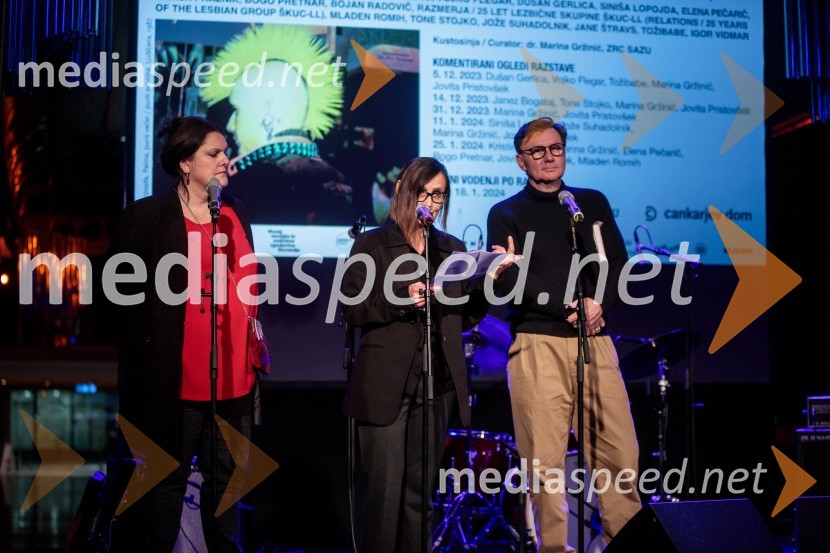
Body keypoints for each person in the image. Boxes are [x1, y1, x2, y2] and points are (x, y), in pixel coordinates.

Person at [341, 157, 515, 553]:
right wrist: (402, 300)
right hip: (385, 385)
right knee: (383, 496)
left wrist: (489, 279)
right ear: (402, 189)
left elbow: (464, 317)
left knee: (421, 497)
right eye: (424, 193)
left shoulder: (450, 249)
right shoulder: (372, 244)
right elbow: (352, 308)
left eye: (439, 195)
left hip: (436, 384)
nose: (431, 203)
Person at [487, 117, 641, 552]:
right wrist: (567, 306)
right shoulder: (505, 213)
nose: (549, 157)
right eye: (537, 151)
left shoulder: (588, 203)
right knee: (544, 465)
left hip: (596, 339)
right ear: (521, 161)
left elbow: (617, 264)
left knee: (620, 455)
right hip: (538, 343)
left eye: (556, 148)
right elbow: (508, 279)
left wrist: (597, 304)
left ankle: (625, 545)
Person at [108, 116, 261, 552]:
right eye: (214, 153)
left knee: (226, 498)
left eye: (225, 151)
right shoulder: (148, 216)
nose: (225, 160)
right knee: (163, 494)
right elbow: (117, 299)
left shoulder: (235, 212)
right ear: (185, 163)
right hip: (173, 386)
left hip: (233, 383)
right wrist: (148, 352)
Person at [199, 24, 352, 225]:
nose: (230, 125)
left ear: (269, 116)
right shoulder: (330, 174)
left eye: (238, 111)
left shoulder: (254, 181)